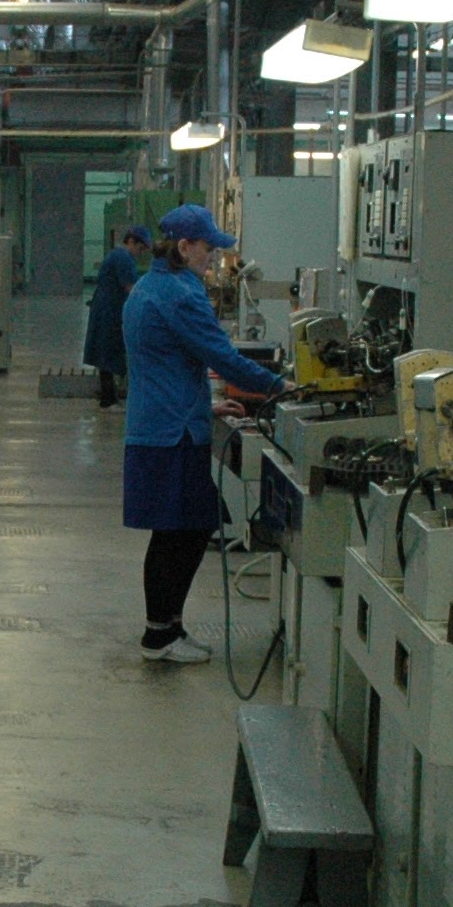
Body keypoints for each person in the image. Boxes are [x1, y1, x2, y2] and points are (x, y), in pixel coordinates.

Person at [121, 202, 284, 663]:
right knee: (181, 532)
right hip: (172, 433)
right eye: (207, 248)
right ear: (184, 246)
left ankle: (168, 627)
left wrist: (205, 405)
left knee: (182, 529)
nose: (212, 257)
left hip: (159, 422)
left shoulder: (150, 286)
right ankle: (159, 635)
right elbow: (223, 358)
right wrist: (281, 387)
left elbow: (162, 364)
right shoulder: (180, 294)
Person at [83, 223, 149, 407]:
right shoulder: (123, 258)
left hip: (108, 309)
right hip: (109, 311)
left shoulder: (118, 255)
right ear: (131, 242)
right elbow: (131, 288)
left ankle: (109, 396)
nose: (140, 253)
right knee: (107, 353)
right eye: (140, 248)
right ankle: (107, 399)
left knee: (106, 353)